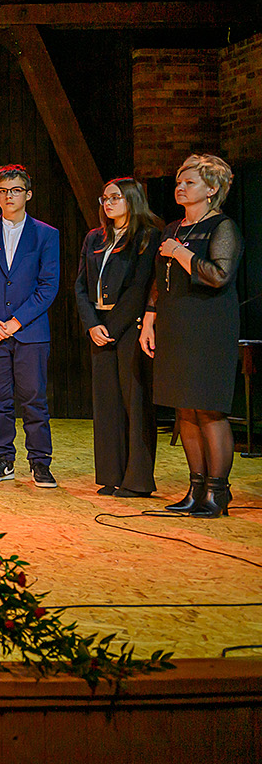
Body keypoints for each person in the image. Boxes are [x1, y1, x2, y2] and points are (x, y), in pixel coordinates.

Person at [140, 154, 244, 518]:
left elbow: (219, 276)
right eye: (178, 183)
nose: (180, 188)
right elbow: (158, 279)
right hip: (175, 324)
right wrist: (149, 318)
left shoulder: (222, 227)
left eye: (190, 183)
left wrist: (181, 253)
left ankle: (218, 492)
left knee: (209, 409)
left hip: (210, 326)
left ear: (211, 189)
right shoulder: (172, 228)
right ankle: (196, 488)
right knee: (184, 408)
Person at [0, 164, 62, 488]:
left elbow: (48, 285)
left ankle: (40, 462)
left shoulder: (46, 234)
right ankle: (3, 460)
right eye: (2, 191)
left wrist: (16, 321)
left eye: (15, 190)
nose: (9, 196)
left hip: (30, 332)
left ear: (28, 194)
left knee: (34, 399)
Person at [74, 178, 160, 498]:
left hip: (129, 326)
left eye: (115, 198)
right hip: (99, 325)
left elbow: (140, 286)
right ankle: (111, 475)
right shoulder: (95, 237)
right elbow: (80, 285)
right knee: (107, 402)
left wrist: (112, 327)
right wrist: (92, 325)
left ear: (132, 200)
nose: (108, 203)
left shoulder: (147, 236)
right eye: (105, 198)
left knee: (134, 402)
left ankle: (137, 480)